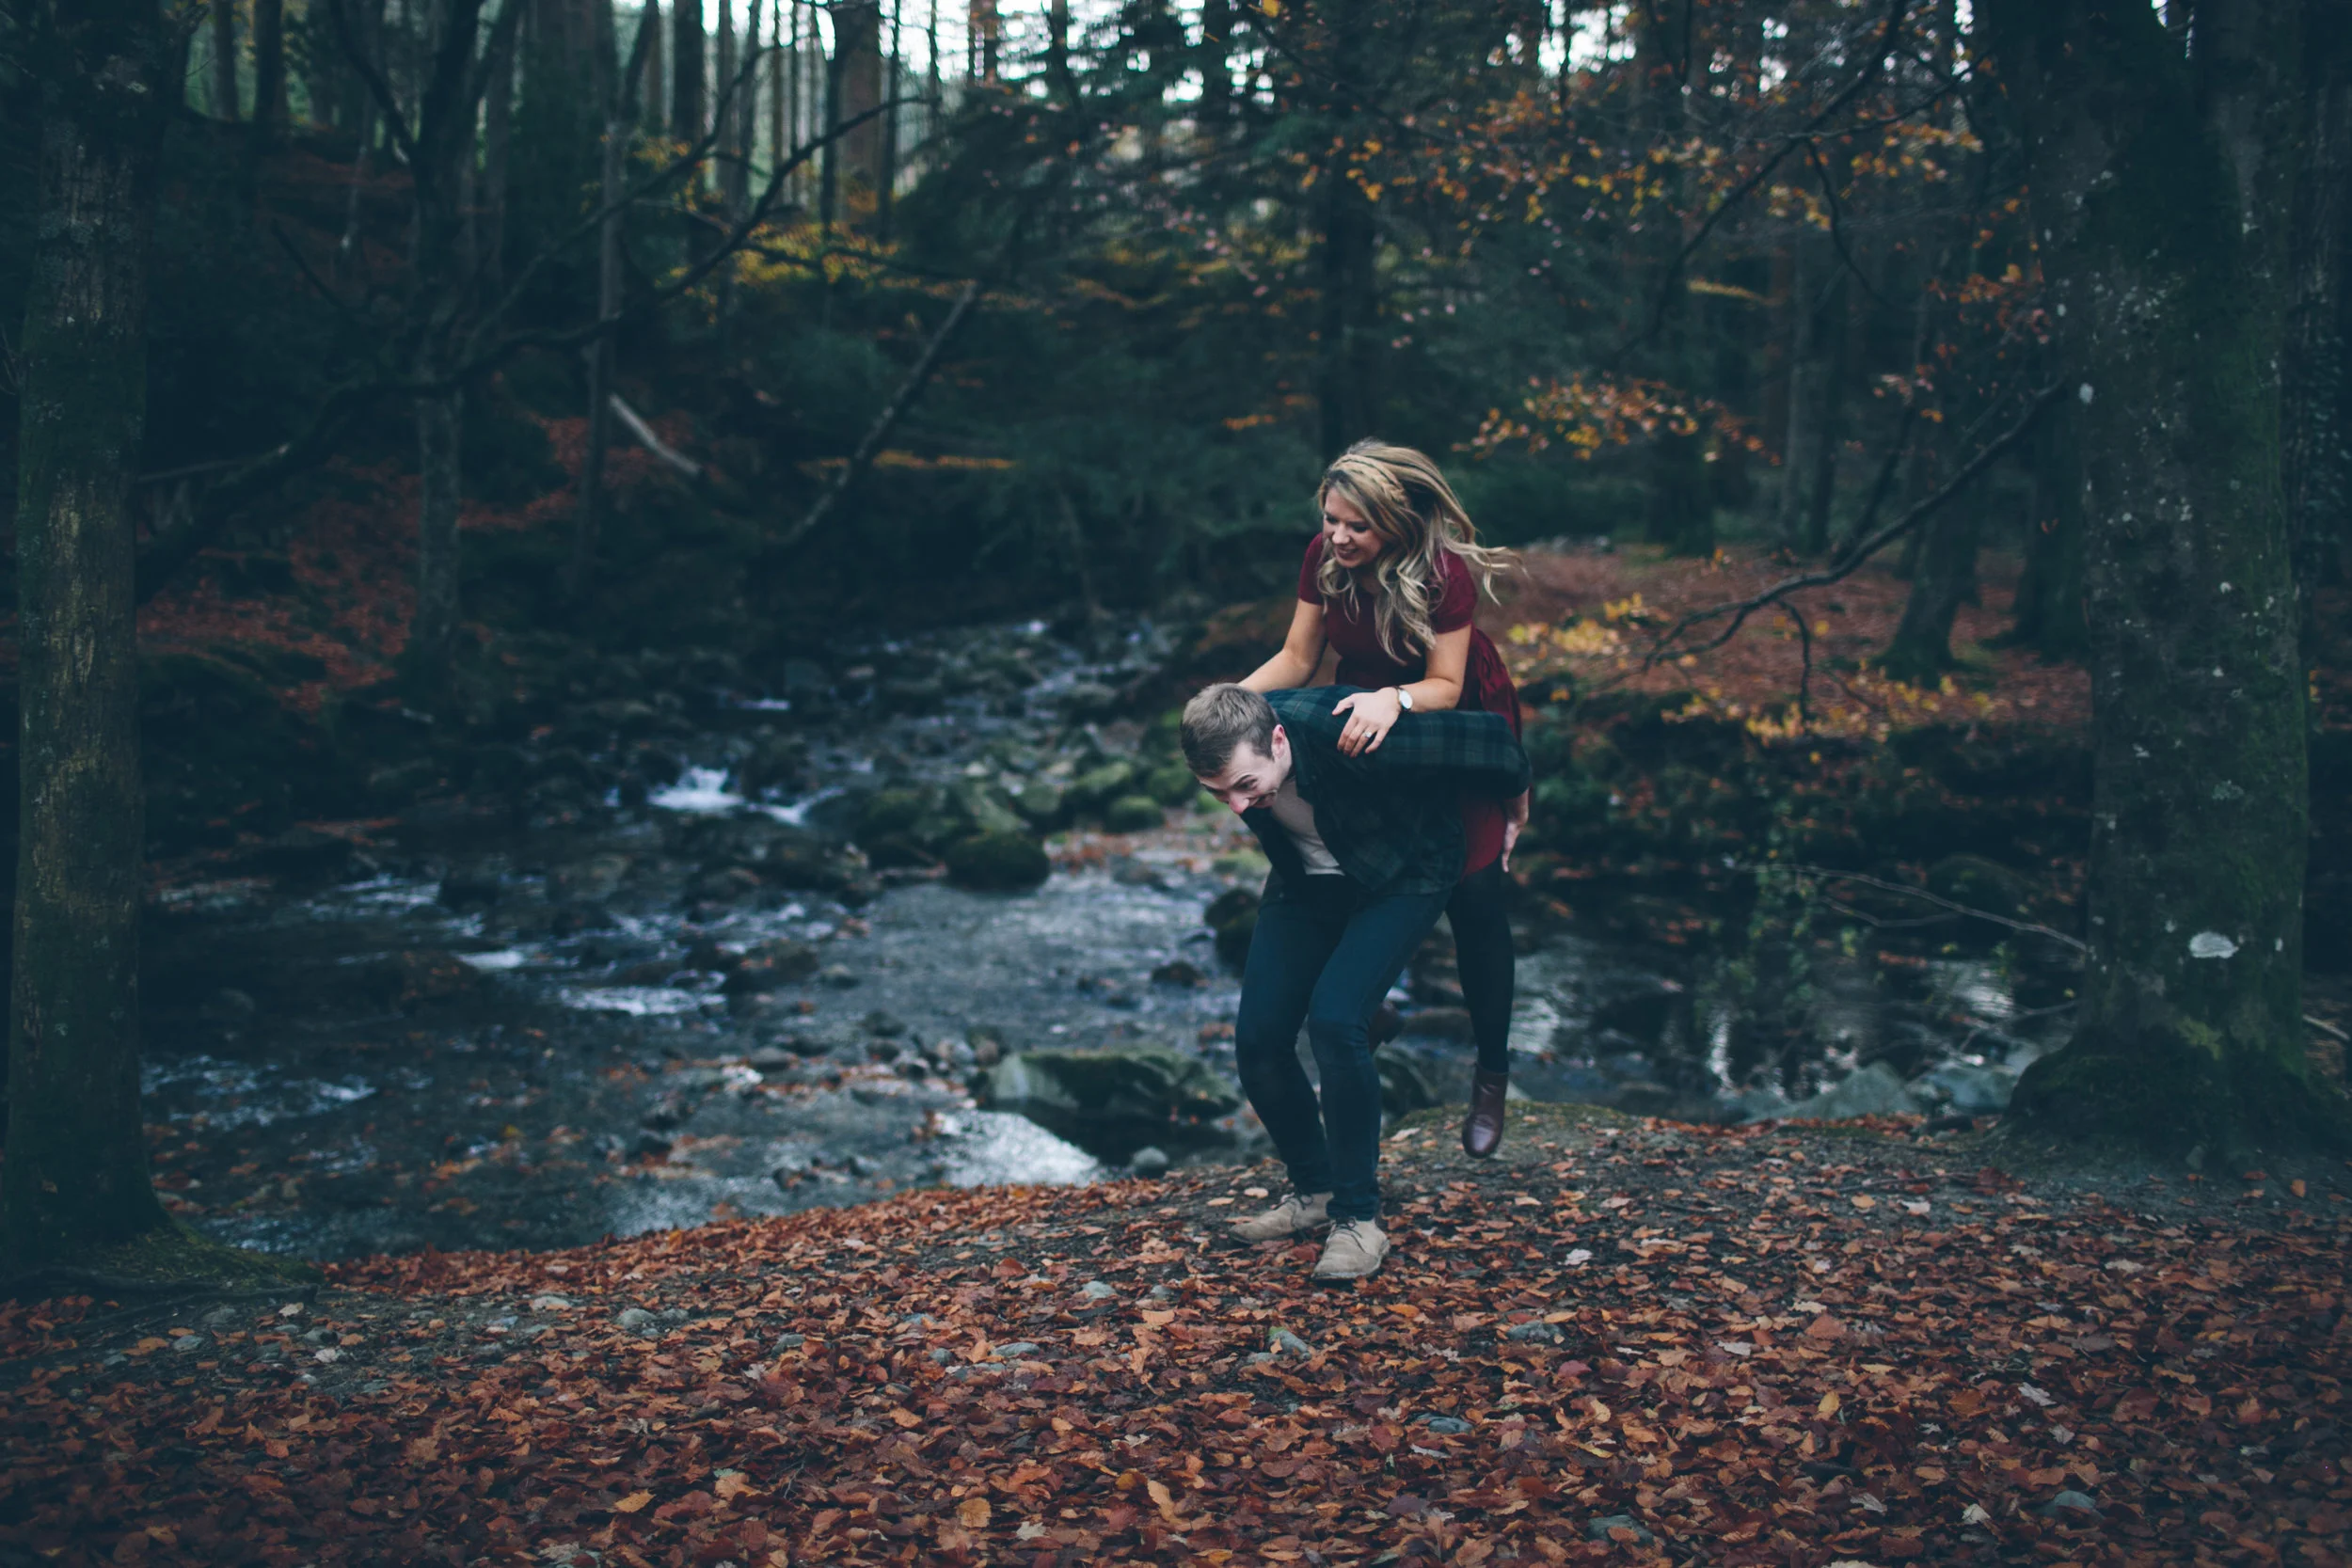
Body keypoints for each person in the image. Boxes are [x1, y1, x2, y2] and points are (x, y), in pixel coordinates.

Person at [1182, 682, 1530, 1279]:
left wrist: (1517, 804)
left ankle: (1359, 1221)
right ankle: (1315, 1193)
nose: (1238, 807)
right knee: (1259, 1042)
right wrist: (1246, 791)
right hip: (1307, 879)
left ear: (1280, 740)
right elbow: (1250, 789)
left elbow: (1493, 741)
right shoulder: (1234, 744)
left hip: (1406, 875)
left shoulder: (1356, 736)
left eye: (1245, 787)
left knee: (1337, 1020)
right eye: (1218, 795)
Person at [1239, 441, 1529, 1159]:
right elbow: (1299, 659)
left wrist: (1392, 698)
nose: (1338, 537)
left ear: (1396, 523)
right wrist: (1231, 702)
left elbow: (1446, 682)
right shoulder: (1324, 558)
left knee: (1475, 894)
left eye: (1356, 526)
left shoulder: (1442, 573)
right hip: (1358, 725)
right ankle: (1362, 1009)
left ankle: (1491, 1071)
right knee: (1350, 862)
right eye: (1331, 519)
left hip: (1442, 720)